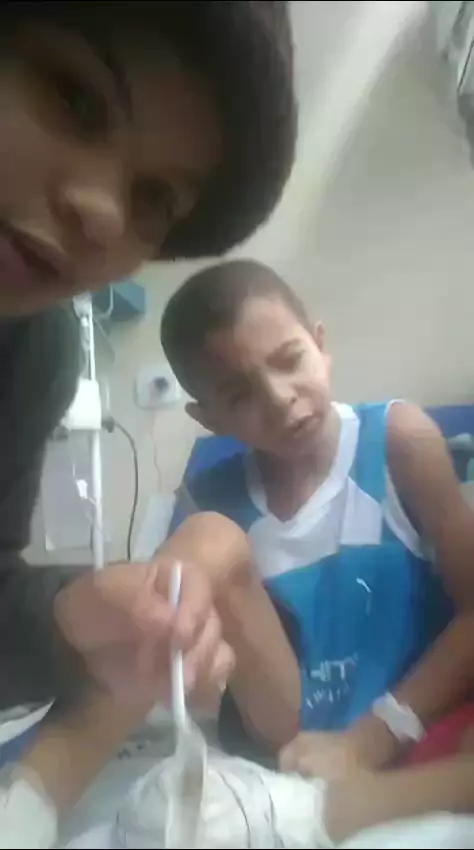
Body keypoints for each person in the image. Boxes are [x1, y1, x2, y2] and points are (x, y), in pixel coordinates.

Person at [0, 3, 296, 712]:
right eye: (76, 99)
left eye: (154, 197)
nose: (104, 212)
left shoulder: (33, 352)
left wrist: (70, 618)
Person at [159, 258, 474, 773]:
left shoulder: (400, 441)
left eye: (290, 360)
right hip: (296, 757)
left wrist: (373, 739)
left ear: (320, 344)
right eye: (240, 395)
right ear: (209, 419)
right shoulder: (209, 504)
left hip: (420, 733)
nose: (280, 399)